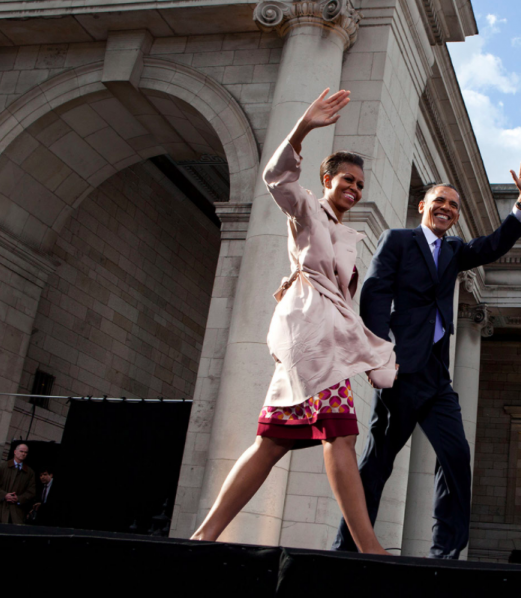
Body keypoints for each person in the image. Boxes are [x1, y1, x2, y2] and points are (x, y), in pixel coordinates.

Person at [190, 89, 398, 554]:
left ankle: (203, 536)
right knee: (340, 433)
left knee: (274, 439)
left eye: (361, 185)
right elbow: (275, 176)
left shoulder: (346, 233)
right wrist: (303, 129)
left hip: (328, 339)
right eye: (347, 179)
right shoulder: (306, 209)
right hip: (310, 336)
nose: (355, 189)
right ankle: (369, 547)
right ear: (326, 178)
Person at [331, 142, 521, 559]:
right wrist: (379, 353)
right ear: (423, 205)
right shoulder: (399, 241)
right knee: (379, 461)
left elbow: (492, 246)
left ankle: (445, 551)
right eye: (440, 201)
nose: (447, 208)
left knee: (456, 455)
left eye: (454, 205)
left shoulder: (455, 251)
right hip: (403, 367)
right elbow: (374, 294)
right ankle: (348, 547)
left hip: (437, 376)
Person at [0, 443, 37, 524]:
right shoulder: (3, 467)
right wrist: (4, 495)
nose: (23, 454)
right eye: (21, 451)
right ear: (15, 452)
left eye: (26, 452)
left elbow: (31, 492)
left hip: (17, 513)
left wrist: (19, 498)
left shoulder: (29, 472)